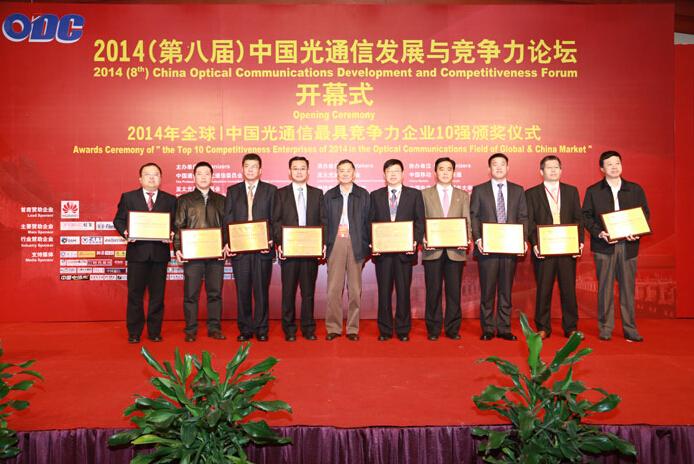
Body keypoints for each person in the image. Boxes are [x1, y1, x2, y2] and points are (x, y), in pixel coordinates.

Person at [582, 150, 649, 342]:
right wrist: (599, 233)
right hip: (604, 246)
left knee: (628, 289)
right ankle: (605, 327)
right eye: (609, 164)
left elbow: (644, 213)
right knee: (605, 288)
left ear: (622, 165)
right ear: (602, 169)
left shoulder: (634, 189)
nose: (614, 167)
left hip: (628, 245)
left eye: (617, 163)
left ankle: (630, 328)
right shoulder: (593, 191)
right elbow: (585, 216)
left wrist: (637, 231)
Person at [113, 163, 176, 344]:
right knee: (135, 295)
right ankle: (134, 332)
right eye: (147, 174)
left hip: (159, 254)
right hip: (137, 253)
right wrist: (125, 232)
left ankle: (154, 331)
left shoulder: (170, 200)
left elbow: (176, 222)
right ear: (140, 179)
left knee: (158, 296)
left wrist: (172, 232)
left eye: (155, 174)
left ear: (160, 178)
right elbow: (118, 220)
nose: (151, 178)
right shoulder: (128, 197)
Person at [470, 153, 528, 341]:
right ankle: (487, 328)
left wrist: (522, 239)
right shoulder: (479, 190)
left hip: (510, 247)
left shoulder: (518, 190)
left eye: (502, 164)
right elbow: (474, 216)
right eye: (495, 164)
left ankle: (504, 328)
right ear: (489, 169)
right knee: (487, 290)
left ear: (508, 168)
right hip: (488, 247)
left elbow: (523, 216)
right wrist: (478, 239)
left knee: (505, 290)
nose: (499, 167)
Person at [525, 155, 584, 339]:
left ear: (561, 170)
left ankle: (571, 327)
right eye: (549, 167)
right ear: (541, 171)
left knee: (568, 289)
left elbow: (578, 218)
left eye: (556, 167)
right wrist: (535, 243)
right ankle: (543, 327)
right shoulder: (531, 193)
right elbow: (530, 222)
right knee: (544, 289)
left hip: (567, 248)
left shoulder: (571, 191)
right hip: (544, 250)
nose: (553, 170)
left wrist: (579, 242)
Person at [369, 159, 425, 342]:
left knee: (403, 292)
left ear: (403, 174)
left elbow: (420, 222)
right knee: (384, 292)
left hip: (404, 253)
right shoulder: (375, 195)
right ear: (384, 174)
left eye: (396, 171)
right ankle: (385, 330)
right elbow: (370, 222)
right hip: (383, 254)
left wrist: (414, 242)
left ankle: (403, 330)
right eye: (389, 171)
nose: (393, 174)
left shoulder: (414, 195)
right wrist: (373, 243)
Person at [223, 153, 277, 342]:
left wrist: (271, 240)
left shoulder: (271, 190)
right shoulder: (233, 191)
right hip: (240, 251)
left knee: (261, 291)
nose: (251, 169)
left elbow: (275, 219)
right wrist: (228, 242)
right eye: (247, 166)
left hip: (262, 250)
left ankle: (262, 329)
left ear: (260, 170)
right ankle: (245, 329)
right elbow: (227, 218)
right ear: (242, 169)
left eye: (254, 166)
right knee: (243, 291)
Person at [272, 156, 326, 341]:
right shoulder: (280, 194)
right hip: (290, 251)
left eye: (303, 168)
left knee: (308, 293)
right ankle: (289, 329)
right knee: (288, 292)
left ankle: (308, 328)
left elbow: (323, 221)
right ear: (289, 172)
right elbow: (276, 221)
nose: (299, 171)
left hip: (310, 252)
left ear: (308, 172)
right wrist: (280, 243)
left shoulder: (317, 194)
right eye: (295, 168)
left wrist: (322, 243)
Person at [173, 161, 227, 342]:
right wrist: (178, 248)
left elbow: (226, 227)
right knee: (191, 294)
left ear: (212, 177)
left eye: (207, 174)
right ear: (194, 177)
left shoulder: (221, 200)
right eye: (199, 174)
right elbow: (178, 226)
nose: (203, 177)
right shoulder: (184, 200)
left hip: (215, 255)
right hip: (192, 255)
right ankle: (190, 330)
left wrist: (226, 244)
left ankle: (214, 328)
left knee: (215, 293)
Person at [421, 157, 472, 341]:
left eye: (448, 169)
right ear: (435, 172)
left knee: (454, 292)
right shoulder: (424, 194)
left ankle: (452, 328)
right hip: (432, 250)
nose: (445, 172)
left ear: (453, 172)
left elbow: (467, 221)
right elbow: (421, 220)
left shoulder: (462, 195)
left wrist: (466, 239)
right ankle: (433, 329)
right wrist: (423, 237)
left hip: (455, 251)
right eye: (441, 169)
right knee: (433, 291)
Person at [324, 159, 370, 341]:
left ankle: (352, 328)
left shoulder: (363, 194)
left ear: (354, 173)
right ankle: (333, 327)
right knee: (333, 289)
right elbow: (324, 222)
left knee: (355, 289)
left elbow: (368, 221)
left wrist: (366, 244)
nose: (344, 173)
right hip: (336, 242)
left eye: (348, 170)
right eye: (341, 170)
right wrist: (325, 243)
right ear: (337, 174)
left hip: (356, 242)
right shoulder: (329, 195)